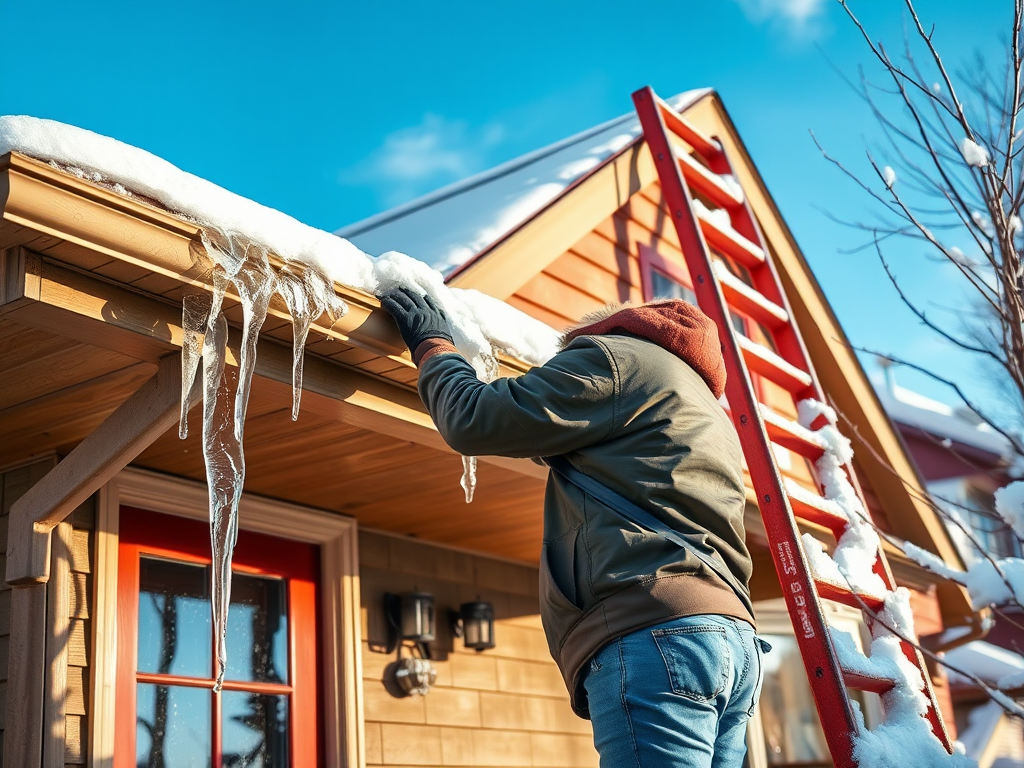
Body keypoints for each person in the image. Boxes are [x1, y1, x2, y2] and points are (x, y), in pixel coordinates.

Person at [380, 287, 767, 768]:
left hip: (655, 633)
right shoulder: (703, 406)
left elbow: (474, 419)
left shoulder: (614, 358)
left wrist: (434, 345)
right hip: (734, 643)